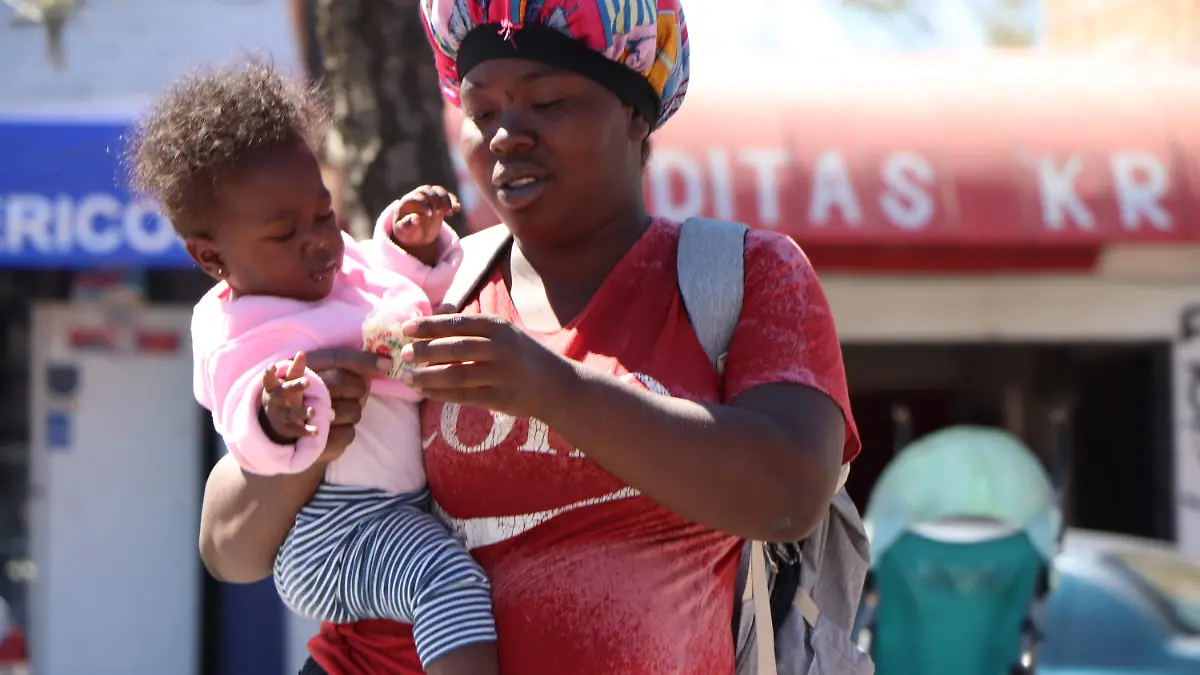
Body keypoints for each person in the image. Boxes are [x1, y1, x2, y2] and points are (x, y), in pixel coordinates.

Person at [198, 1, 861, 673]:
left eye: (547, 102)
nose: (506, 134)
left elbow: (788, 496)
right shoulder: (428, 288)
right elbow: (230, 547)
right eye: (483, 113)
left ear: (635, 111)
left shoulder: (742, 275)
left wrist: (555, 390)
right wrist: (311, 432)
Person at [127, 62, 498, 675]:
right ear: (212, 256)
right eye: (284, 233)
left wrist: (413, 248)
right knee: (446, 581)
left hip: (396, 507)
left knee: (445, 578)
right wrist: (283, 415)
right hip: (336, 530)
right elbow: (243, 414)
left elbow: (393, 293)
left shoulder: (341, 268)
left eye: (324, 215)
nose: (320, 242)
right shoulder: (239, 324)